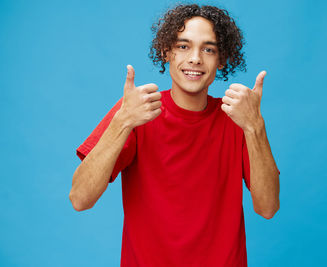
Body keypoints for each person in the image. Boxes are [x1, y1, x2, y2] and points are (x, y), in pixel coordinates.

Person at [69, 4, 280, 267]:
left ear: (222, 59)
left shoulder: (239, 119)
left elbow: (268, 207)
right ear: (165, 51)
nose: (195, 58)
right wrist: (121, 123)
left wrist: (255, 127)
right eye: (183, 46)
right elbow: (80, 199)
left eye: (209, 49)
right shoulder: (136, 112)